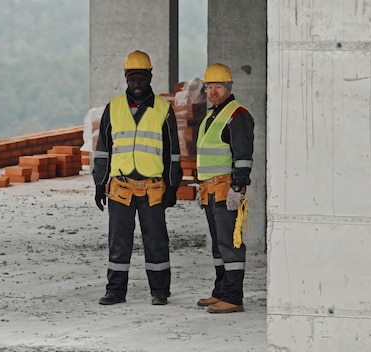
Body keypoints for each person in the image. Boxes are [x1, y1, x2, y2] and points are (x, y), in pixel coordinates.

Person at [92, 50, 183, 306]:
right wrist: (100, 184)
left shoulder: (164, 110)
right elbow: (103, 149)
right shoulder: (114, 108)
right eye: (133, 77)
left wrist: (173, 185)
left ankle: (160, 291)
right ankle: (115, 291)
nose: (137, 82)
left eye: (142, 77)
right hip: (120, 186)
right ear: (125, 77)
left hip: (153, 187)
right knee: (118, 241)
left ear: (150, 76)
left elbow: (173, 152)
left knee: (156, 240)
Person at [195, 63, 255, 313]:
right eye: (209, 87)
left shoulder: (236, 115)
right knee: (219, 245)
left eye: (218, 86)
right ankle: (220, 291)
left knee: (231, 244)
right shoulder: (212, 117)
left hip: (225, 190)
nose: (212, 91)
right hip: (210, 191)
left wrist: (238, 187)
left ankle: (233, 296)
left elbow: (243, 156)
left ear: (228, 87)